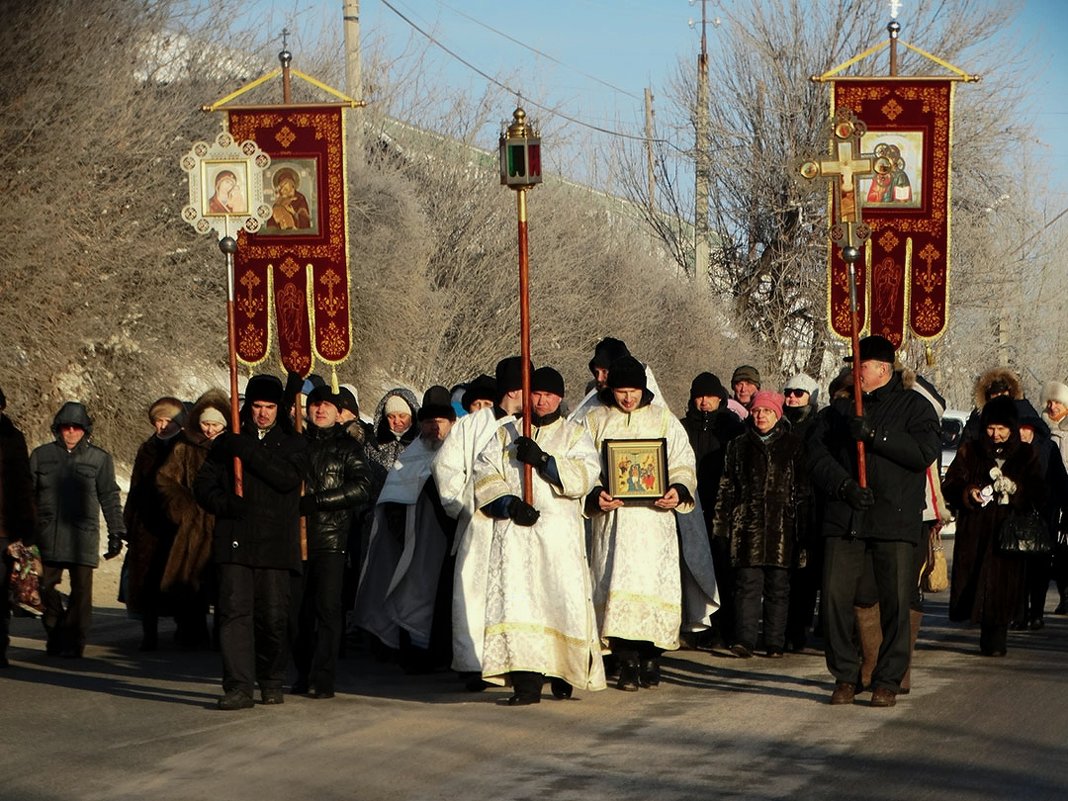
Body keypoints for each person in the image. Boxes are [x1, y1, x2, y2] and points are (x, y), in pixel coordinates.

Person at [807, 336, 940, 707]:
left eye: (861, 366)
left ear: (883, 368)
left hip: (894, 519)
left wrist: (875, 436)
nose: (855, 371)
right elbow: (816, 457)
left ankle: (888, 678)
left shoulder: (915, 408)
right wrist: (845, 486)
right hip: (845, 517)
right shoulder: (837, 411)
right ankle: (846, 675)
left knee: (896, 601)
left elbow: (922, 454)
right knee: (834, 597)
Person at [473, 367, 606, 704]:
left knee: (560, 602)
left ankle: (564, 671)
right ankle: (526, 683)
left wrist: (545, 462)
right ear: (527, 395)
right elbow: (485, 475)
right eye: (537, 393)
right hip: (517, 538)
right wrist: (509, 504)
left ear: (560, 397)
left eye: (549, 394)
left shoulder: (574, 435)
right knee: (521, 606)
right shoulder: (506, 434)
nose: (542, 400)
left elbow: (585, 476)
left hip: (559, 538)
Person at [583, 356, 701, 691]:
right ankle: (626, 663)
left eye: (633, 391)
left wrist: (677, 490)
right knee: (616, 592)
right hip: (615, 523)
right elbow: (584, 465)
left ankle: (652, 660)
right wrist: (595, 494)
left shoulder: (662, 420)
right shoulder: (595, 421)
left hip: (653, 524)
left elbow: (682, 461)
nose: (628, 399)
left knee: (652, 592)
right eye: (621, 391)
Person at [194, 374, 308, 710]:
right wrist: (226, 504)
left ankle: (271, 677)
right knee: (233, 615)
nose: (262, 413)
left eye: (269, 407)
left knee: (273, 616)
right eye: (256, 406)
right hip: (236, 540)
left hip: (276, 542)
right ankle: (238, 687)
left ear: (278, 409)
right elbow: (203, 486)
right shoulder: (228, 442)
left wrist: (248, 450)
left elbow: (287, 479)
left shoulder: (293, 442)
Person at [432, 357, 530, 687]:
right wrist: (468, 507)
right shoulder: (470, 425)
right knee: (475, 593)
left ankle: (520, 661)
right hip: (481, 523)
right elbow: (445, 469)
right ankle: (474, 663)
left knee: (517, 592)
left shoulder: (531, 426)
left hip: (521, 527)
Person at [356, 386, 458, 673]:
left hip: (447, 541)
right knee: (409, 594)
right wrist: (403, 533)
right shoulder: (411, 457)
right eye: (427, 422)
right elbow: (392, 500)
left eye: (440, 423)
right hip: (413, 545)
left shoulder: (459, 454)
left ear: (451, 423)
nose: (434, 429)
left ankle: (444, 656)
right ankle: (412, 655)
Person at [942, 396, 1044, 656]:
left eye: (1002, 429)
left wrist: (1016, 490)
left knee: (1003, 587)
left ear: (1012, 428)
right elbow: (951, 483)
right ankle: (982, 627)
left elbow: (1038, 490)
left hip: (1009, 533)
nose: (996, 434)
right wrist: (970, 492)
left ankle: (997, 637)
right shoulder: (970, 451)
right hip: (976, 531)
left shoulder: (1026, 454)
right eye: (991, 428)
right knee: (975, 581)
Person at [290, 385, 372, 698]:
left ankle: (323, 677)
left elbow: (362, 487)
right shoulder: (295, 443)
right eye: (315, 405)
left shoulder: (347, 447)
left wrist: (320, 501)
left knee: (327, 609)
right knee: (298, 612)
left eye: (326, 406)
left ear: (338, 413)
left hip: (331, 537)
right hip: (296, 538)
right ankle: (302, 672)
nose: (320, 411)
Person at [713, 391, 807, 658]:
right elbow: (726, 490)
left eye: (767, 411)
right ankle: (745, 639)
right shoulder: (738, 446)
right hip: (746, 529)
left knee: (779, 586)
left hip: (783, 528)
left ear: (777, 415)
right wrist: (722, 529)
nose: (761, 416)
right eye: (756, 411)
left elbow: (802, 492)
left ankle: (775, 641)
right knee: (747, 586)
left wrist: (802, 532)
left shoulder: (793, 445)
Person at [31, 402, 126, 658]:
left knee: (81, 593)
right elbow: (28, 495)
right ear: (58, 429)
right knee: (43, 588)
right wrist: (26, 530)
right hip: (47, 533)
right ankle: (55, 628)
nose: (70, 432)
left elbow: (109, 495)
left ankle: (74, 642)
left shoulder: (99, 458)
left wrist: (116, 532)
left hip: (83, 535)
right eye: (65, 427)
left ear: (85, 430)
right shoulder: (41, 456)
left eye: (76, 427)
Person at [156, 389, 230, 649]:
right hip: (194, 524)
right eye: (206, 424)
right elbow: (165, 480)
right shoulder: (185, 447)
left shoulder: (233, 446)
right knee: (190, 583)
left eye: (215, 425)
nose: (209, 430)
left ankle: (225, 637)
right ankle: (191, 633)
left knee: (225, 585)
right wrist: (182, 505)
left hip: (224, 522)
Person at [679, 371, 744, 649]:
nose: (705, 402)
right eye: (700, 397)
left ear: (720, 398)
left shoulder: (732, 428)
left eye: (710, 397)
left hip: (723, 505)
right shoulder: (682, 428)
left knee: (723, 567)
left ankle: (724, 629)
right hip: (691, 504)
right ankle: (694, 626)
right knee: (691, 565)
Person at [122, 396, 186, 651]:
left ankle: (185, 630)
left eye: (168, 421)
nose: (162, 426)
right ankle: (149, 634)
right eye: (158, 421)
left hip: (177, 524)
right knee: (147, 580)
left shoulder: (185, 448)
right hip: (147, 525)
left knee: (179, 579)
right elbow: (136, 486)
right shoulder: (146, 449)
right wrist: (130, 520)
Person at [1011, 399, 1067, 631]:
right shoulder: (1011, 450)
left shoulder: (1048, 448)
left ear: (1033, 428)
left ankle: (1037, 613)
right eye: (1019, 428)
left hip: (1045, 517)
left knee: (1040, 568)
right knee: (1018, 569)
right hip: (1016, 517)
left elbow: (1061, 481)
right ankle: (1020, 614)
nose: (1023, 433)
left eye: (1026, 428)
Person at [781, 372, 822, 652]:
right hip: (782, 506)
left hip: (811, 506)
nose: (792, 398)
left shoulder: (818, 426)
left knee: (807, 573)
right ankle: (784, 629)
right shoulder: (779, 424)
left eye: (799, 393)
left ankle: (800, 627)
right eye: (789, 392)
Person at [0, 387, 35, 667]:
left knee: (1, 592)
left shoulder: (12, 439)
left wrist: (25, 533)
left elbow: (23, 486)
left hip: (4, 531)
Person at [1040, 380, 1068, 614]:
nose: (1053, 406)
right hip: (1049, 499)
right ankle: (1064, 595)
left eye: (1057, 402)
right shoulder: (1043, 430)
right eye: (1050, 402)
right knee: (1054, 550)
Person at [366, 388, 420, 491]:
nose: (396, 421)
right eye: (391, 416)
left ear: (412, 415)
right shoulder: (373, 446)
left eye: (402, 416)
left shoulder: (421, 444)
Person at [267, 167, 312, 231]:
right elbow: (271, 224)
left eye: (285, 184)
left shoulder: (300, 199)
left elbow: (305, 221)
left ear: (292, 184)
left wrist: (293, 213)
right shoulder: (279, 201)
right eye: (281, 186)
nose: (282, 188)